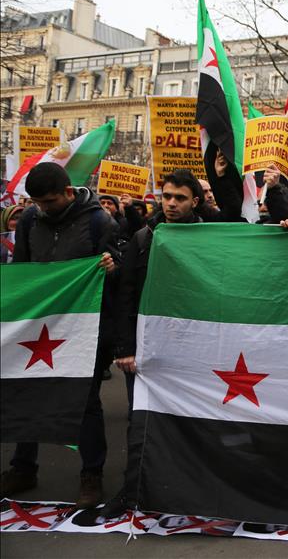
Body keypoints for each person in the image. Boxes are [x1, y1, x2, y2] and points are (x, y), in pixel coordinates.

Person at [1, 162, 118, 509]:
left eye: (49, 202)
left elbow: (119, 270)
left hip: (83, 327)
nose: (42, 208)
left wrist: (112, 265)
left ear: (68, 192)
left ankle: (91, 474)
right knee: (29, 391)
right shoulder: (29, 220)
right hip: (38, 325)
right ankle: (23, 468)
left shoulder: (99, 222)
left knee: (86, 399)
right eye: (37, 202)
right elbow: (22, 272)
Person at [100, 169, 206, 520]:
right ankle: (133, 488)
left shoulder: (212, 236)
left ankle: (189, 487)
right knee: (141, 420)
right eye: (167, 196)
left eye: (180, 198)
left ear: (195, 201)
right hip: (148, 346)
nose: (171, 203)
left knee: (190, 419)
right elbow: (126, 295)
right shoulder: (144, 237)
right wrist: (125, 348)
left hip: (192, 346)